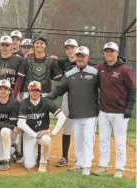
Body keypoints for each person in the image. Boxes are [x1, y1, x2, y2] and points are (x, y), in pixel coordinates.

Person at [47, 46, 99, 176]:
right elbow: (58, 89)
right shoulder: (69, 74)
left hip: (90, 113)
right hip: (75, 113)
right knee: (78, 139)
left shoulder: (95, 72)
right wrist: (46, 99)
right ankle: (79, 163)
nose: (80, 58)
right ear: (75, 57)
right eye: (78, 56)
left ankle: (87, 165)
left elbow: (105, 89)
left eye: (83, 56)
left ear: (88, 57)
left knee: (88, 139)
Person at [93, 42, 136, 178]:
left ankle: (119, 168)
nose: (109, 54)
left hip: (120, 113)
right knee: (103, 140)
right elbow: (86, 69)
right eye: (106, 51)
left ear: (117, 53)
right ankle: (103, 166)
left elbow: (133, 90)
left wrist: (129, 108)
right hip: (104, 111)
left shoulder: (125, 70)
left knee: (120, 141)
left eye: (111, 51)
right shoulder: (100, 67)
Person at [18, 81, 66, 172]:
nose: (35, 92)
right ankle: (27, 156)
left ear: (40, 91)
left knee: (46, 139)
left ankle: (43, 161)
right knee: (29, 165)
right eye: (32, 90)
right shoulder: (24, 103)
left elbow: (62, 117)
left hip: (43, 133)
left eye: (37, 90)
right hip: (30, 134)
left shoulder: (46, 102)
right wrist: (35, 135)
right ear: (29, 91)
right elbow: (21, 123)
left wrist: (53, 132)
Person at [55, 38, 78, 167]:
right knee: (66, 127)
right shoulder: (62, 62)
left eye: (72, 48)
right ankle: (64, 157)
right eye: (68, 48)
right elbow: (52, 62)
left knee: (82, 129)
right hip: (66, 96)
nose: (70, 50)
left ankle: (82, 158)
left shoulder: (85, 62)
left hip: (81, 98)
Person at [0, 79, 20, 171]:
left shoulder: (14, 103)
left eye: (5, 89)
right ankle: (14, 149)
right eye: (0, 88)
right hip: (0, 130)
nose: (3, 91)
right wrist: (10, 126)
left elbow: (12, 123)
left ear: (9, 91)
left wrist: (10, 127)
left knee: (5, 131)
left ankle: (6, 162)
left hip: (11, 132)